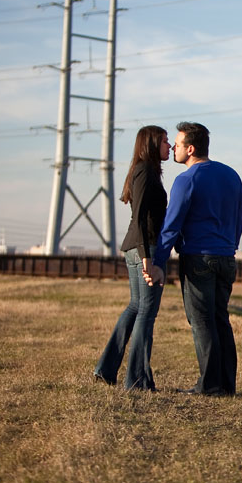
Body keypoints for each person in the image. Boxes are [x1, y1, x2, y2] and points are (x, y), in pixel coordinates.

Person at [144, 121, 242, 396]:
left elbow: (172, 225)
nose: (173, 147)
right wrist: (230, 246)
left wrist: (159, 262)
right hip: (226, 257)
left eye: (177, 143)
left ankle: (209, 385)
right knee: (221, 318)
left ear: (190, 149)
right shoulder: (232, 175)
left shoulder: (186, 179)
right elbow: (238, 219)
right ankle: (226, 384)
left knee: (201, 321)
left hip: (199, 258)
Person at [94, 125, 171, 390]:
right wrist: (147, 256)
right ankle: (137, 380)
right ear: (151, 144)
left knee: (137, 307)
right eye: (164, 141)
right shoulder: (144, 172)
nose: (169, 147)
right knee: (146, 312)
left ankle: (106, 369)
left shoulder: (146, 172)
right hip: (143, 248)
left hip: (138, 248)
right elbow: (138, 216)